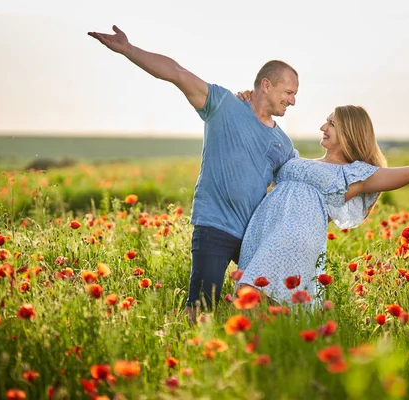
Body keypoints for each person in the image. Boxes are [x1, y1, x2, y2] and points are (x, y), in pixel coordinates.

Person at [88, 26, 299, 320]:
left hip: (252, 236)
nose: (292, 100)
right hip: (214, 225)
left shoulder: (283, 144)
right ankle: (190, 354)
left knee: (269, 303)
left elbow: (298, 184)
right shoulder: (223, 104)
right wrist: (128, 49)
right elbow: (176, 72)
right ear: (266, 85)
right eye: (288, 92)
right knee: (200, 308)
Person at [234, 104, 409, 305]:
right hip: (264, 230)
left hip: (294, 234)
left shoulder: (355, 174)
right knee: (268, 302)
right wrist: (249, 103)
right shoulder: (300, 160)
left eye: (331, 123)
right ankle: (265, 358)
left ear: (349, 131)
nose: (323, 127)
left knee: (249, 291)